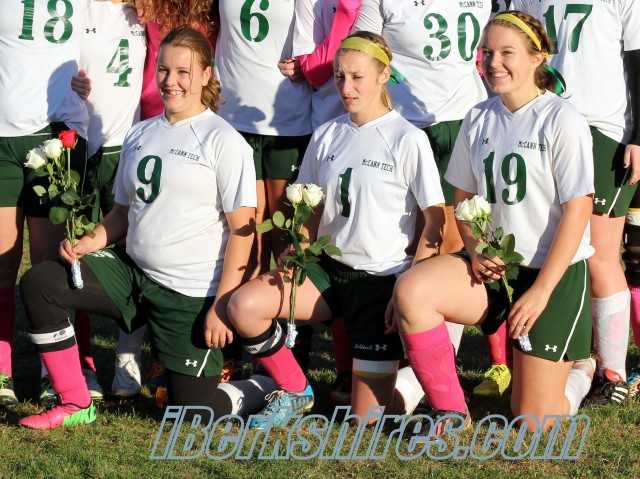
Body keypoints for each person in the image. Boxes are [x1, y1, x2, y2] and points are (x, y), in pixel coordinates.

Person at [17, 26, 256, 429]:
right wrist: (89, 241)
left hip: (187, 293)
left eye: (183, 72)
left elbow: (243, 231)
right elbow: (122, 214)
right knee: (41, 282)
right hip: (132, 276)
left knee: (192, 413)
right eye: (163, 69)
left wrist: (222, 304)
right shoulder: (141, 133)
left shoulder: (224, 141)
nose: (170, 81)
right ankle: (75, 401)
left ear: (205, 75)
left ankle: (265, 387)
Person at [226, 31, 445, 428]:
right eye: (340, 76)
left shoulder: (407, 139)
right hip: (326, 272)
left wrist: (411, 285)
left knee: (365, 421)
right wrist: (298, 248)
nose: (346, 87)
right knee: (244, 307)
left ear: (384, 75)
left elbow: (435, 220)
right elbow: (310, 207)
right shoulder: (327, 133)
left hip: (379, 284)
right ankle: (295, 390)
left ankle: (412, 383)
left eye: (357, 77)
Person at [389, 11, 595, 430]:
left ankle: (580, 374)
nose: (493, 62)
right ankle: (452, 412)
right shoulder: (479, 115)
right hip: (496, 268)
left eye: (506, 53)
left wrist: (540, 292)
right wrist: (475, 248)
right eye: (487, 52)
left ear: (537, 57)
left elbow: (579, 210)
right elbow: (463, 196)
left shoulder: (563, 119)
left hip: (550, 274)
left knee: (533, 422)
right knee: (413, 290)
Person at [352, 1, 515, 397]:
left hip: (461, 118)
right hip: (402, 124)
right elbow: (361, 44)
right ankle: (420, 352)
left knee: (461, 240)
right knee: (410, 239)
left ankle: (494, 362)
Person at [513, 0, 640, 406]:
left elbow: (637, 59)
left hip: (602, 127)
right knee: (557, 242)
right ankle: (576, 355)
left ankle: (613, 372)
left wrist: (639, 136)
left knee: (600, 253)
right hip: (543, 120)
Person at [0, 0, 90, 407]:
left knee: (49, 265)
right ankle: (2, 371)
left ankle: (56, 372)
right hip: (3, 135)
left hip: (54, 131)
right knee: (2, 261)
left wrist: (90, 81)